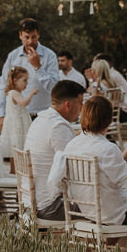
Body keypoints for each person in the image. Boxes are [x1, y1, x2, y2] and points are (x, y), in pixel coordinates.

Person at [48, 95, 127, 251]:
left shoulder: (73, 144)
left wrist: (124, 156)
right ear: (108, 121)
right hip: (113, 214)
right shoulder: (107, 148)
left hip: (88, 212)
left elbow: (100, 170)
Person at [23, 78, 85, 220]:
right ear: (68, 105)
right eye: (81, 103)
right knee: (107, 205)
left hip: (28, 200)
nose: (82, 108)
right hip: (49, 206)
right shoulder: (59, 127)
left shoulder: (40, 119)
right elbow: (75, 170)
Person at [0, 18, 61, 110]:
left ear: (38, 35)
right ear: (20, 35)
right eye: (27, 37)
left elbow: (54, 89)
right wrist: (1, 112)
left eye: (34, 37)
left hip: (43, 113)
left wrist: (38, 67)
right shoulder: (13, 56)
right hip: (18, 114)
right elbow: (4, 85)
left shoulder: (50, 56)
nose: (30, 42)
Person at [1, 65, 34, 150]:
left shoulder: (16, 93)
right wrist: (31, 93)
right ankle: (16, 163)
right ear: (15, 81)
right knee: (16, 146)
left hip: (18, 122)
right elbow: (24, 102)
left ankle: (17, 163)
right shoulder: (14, 93)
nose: (27, 83)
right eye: (24, 80)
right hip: (16, 124)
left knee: (17, 146)